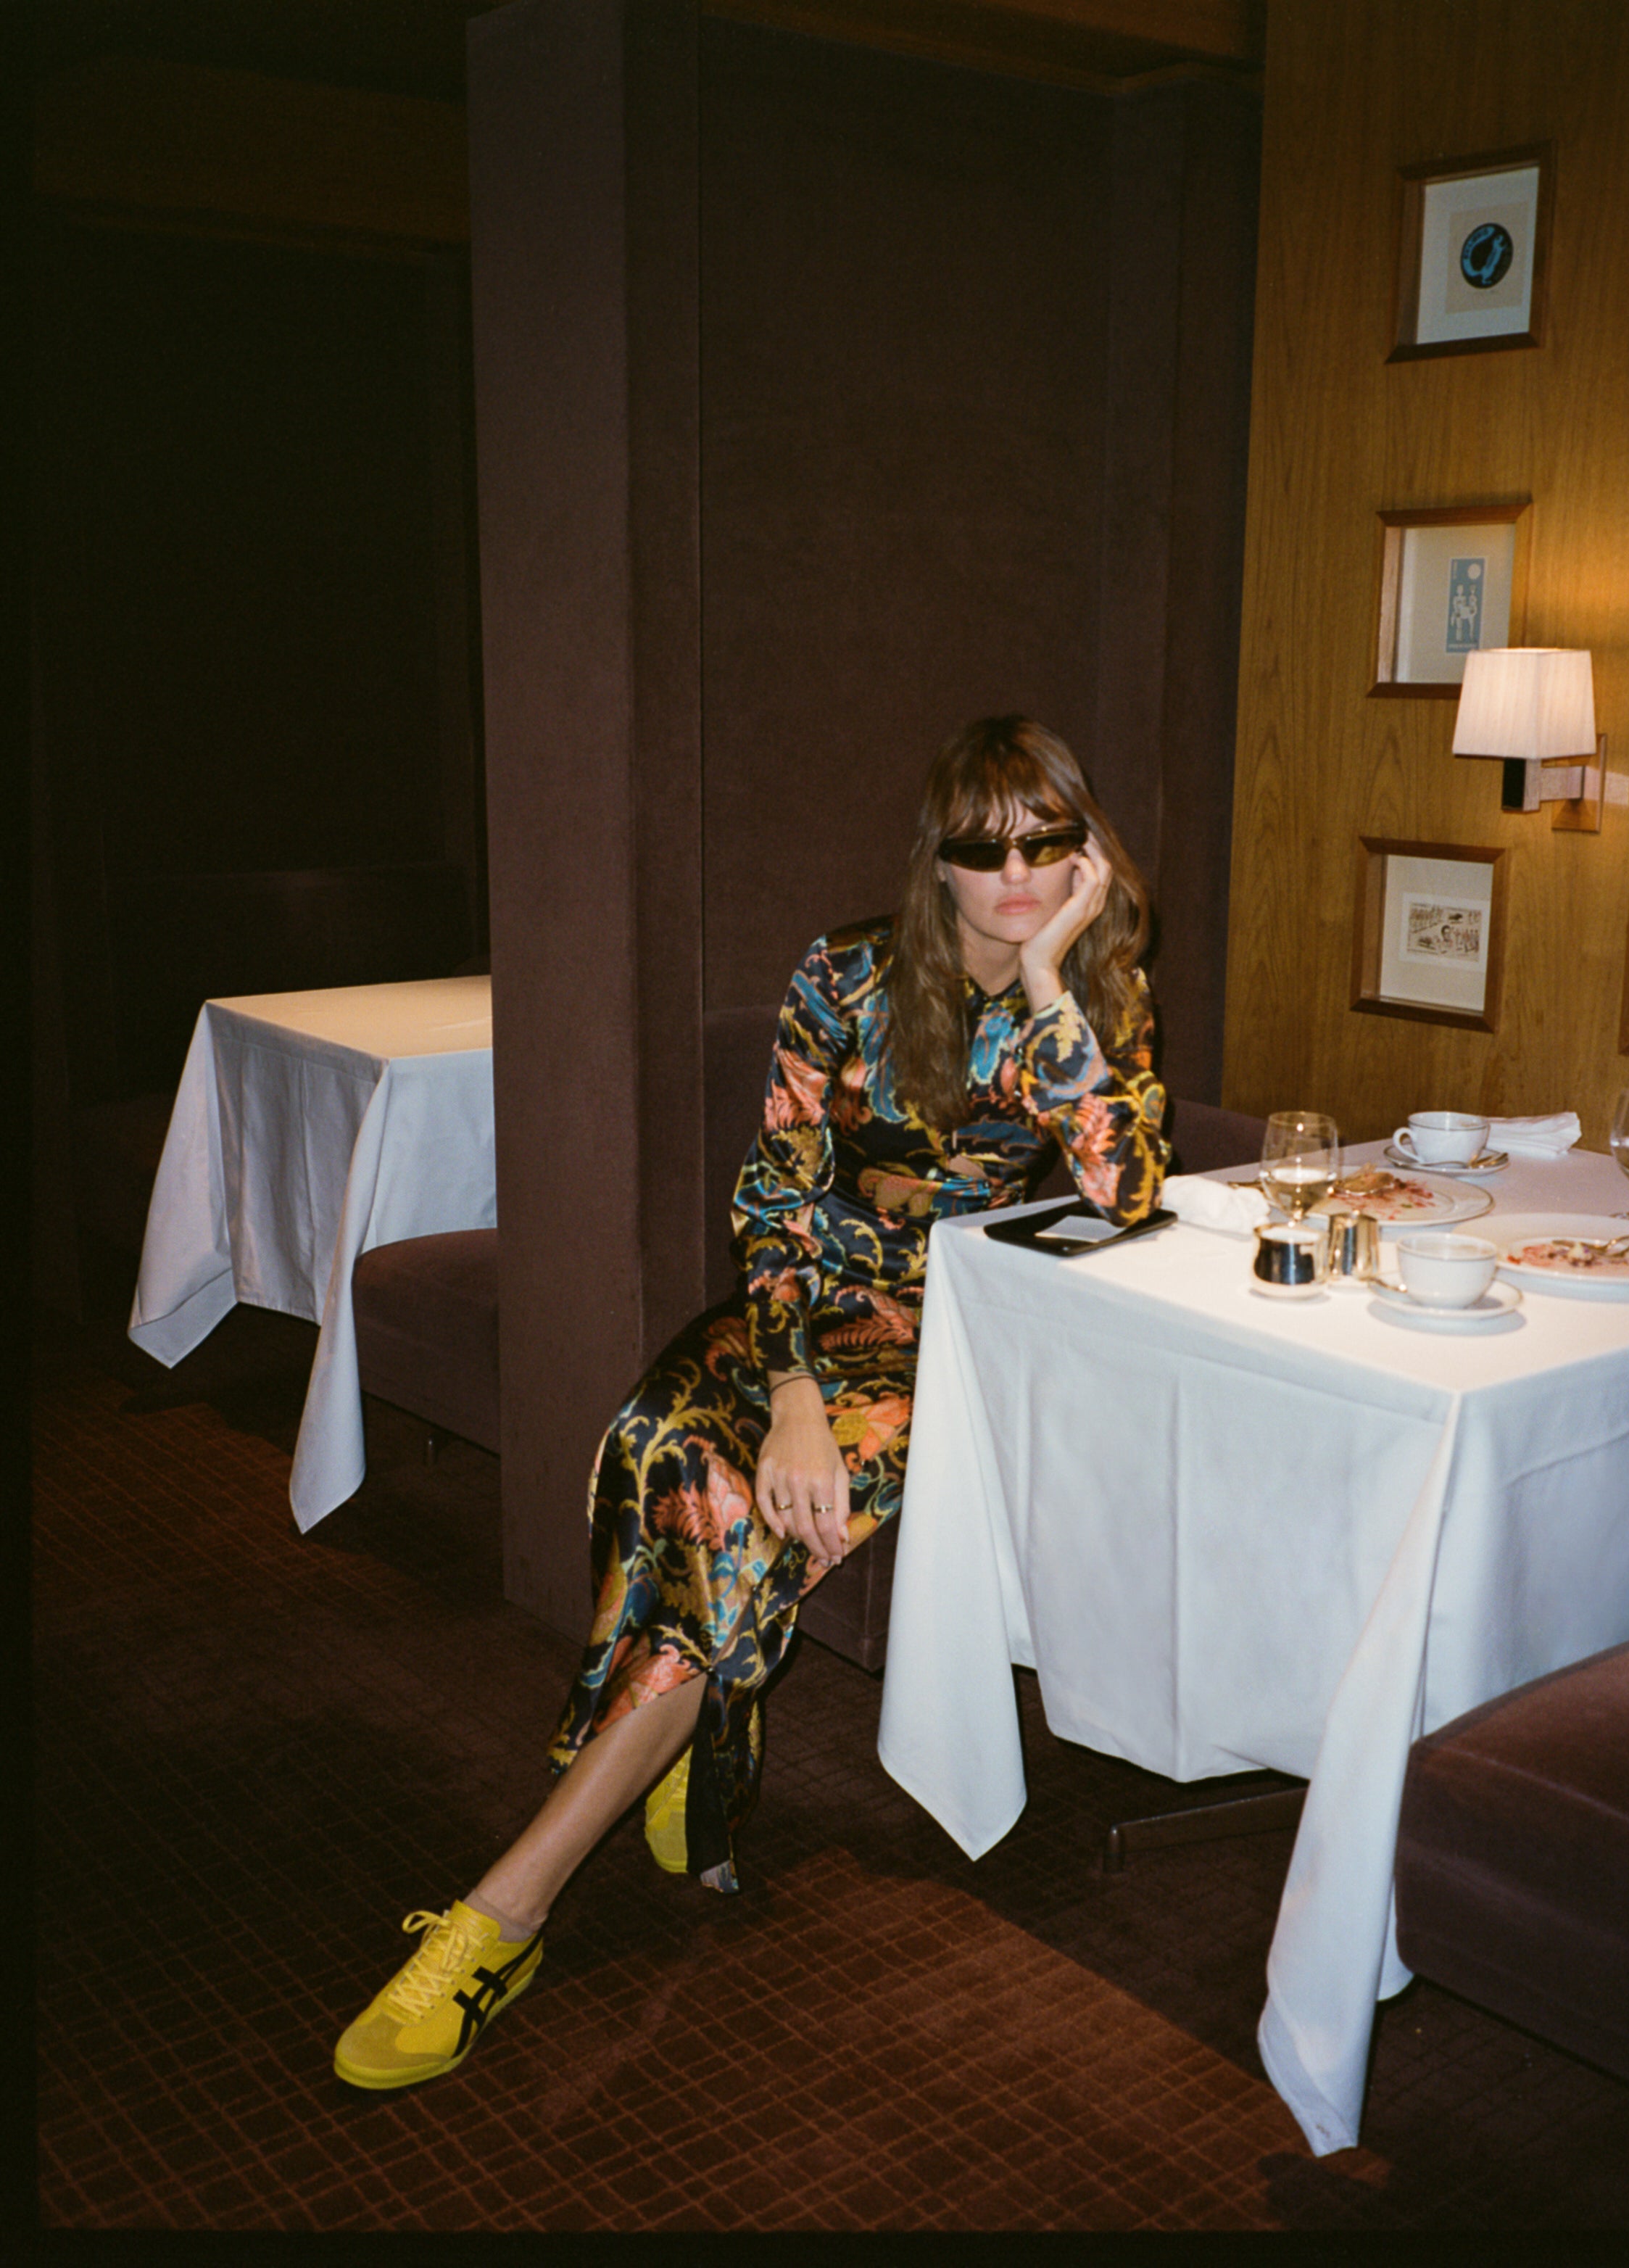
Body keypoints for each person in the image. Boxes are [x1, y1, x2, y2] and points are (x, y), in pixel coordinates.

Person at [333, 714, 1172, 2090]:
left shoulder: (1095, 999)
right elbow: (773, 1198)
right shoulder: (846, 974)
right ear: (938, 859)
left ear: (1085, 854)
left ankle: (505, 1915)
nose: (1016, 875)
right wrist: (788, 1393)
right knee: (660, 1443)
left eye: (1046, 844)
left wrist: (1047, 980)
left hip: (958, 1343)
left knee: (734, 1534)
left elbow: (1126, 1192)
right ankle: (704, 1722)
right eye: (984, 849)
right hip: (805, 1314)